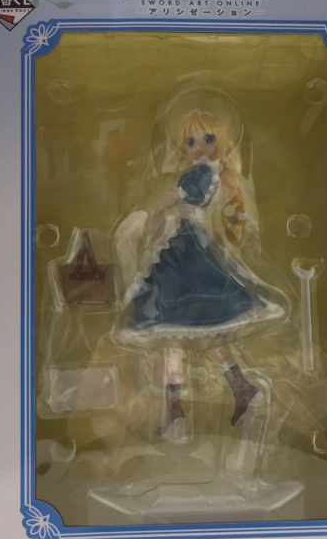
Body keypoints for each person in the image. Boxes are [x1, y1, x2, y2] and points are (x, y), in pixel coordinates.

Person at [113, 102, 288, 436]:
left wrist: (142, 217)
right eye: (190, 141)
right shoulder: (207, 172)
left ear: (220, 140)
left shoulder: (202, 173)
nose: (198, 147)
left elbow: (168, 202)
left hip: (183, 251)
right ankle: (237, 391)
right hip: (181, 245)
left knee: (175, 334)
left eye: (207, 139)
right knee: (202, 336)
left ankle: (177, 414)